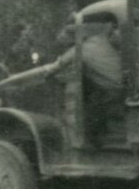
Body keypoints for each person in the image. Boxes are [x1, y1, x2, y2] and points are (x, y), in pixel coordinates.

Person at [48, 15, 124, 145]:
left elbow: (55, 67)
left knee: (88, 116)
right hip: (119, 88)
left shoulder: (81, 49)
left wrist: (48, 75)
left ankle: (91, 145)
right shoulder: (101, 41)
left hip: (111, 91)